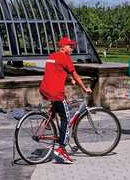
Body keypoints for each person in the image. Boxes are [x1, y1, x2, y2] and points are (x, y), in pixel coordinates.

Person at [39, 36, 92, 165]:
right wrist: (84, 88)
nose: (72, 48)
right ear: (63, 47)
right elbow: (75, 74)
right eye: (70, 46)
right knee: (66, 119)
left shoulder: (52, 56)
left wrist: (68, 80)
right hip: (56, 93)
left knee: (58, 110)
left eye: (72, 46)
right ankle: (62, 148)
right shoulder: (65, 58)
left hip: (45, 89)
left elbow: (56, 71)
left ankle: (45, 124)